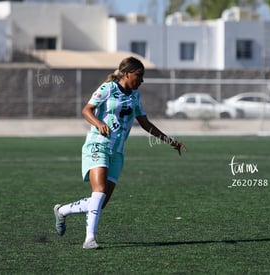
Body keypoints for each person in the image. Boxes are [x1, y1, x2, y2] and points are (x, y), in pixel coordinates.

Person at [53, 56, 187, 249]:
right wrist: (99, 124)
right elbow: (86, 110)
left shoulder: (135, 97)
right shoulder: (107, 89)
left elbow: (145, 124)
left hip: (117, 153)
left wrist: (170, 141)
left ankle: (62, 210)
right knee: (98, 191)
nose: (141, 80)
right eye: (139, 75)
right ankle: (89, 239)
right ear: (126, 74)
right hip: (98, 145)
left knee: (101, 202)